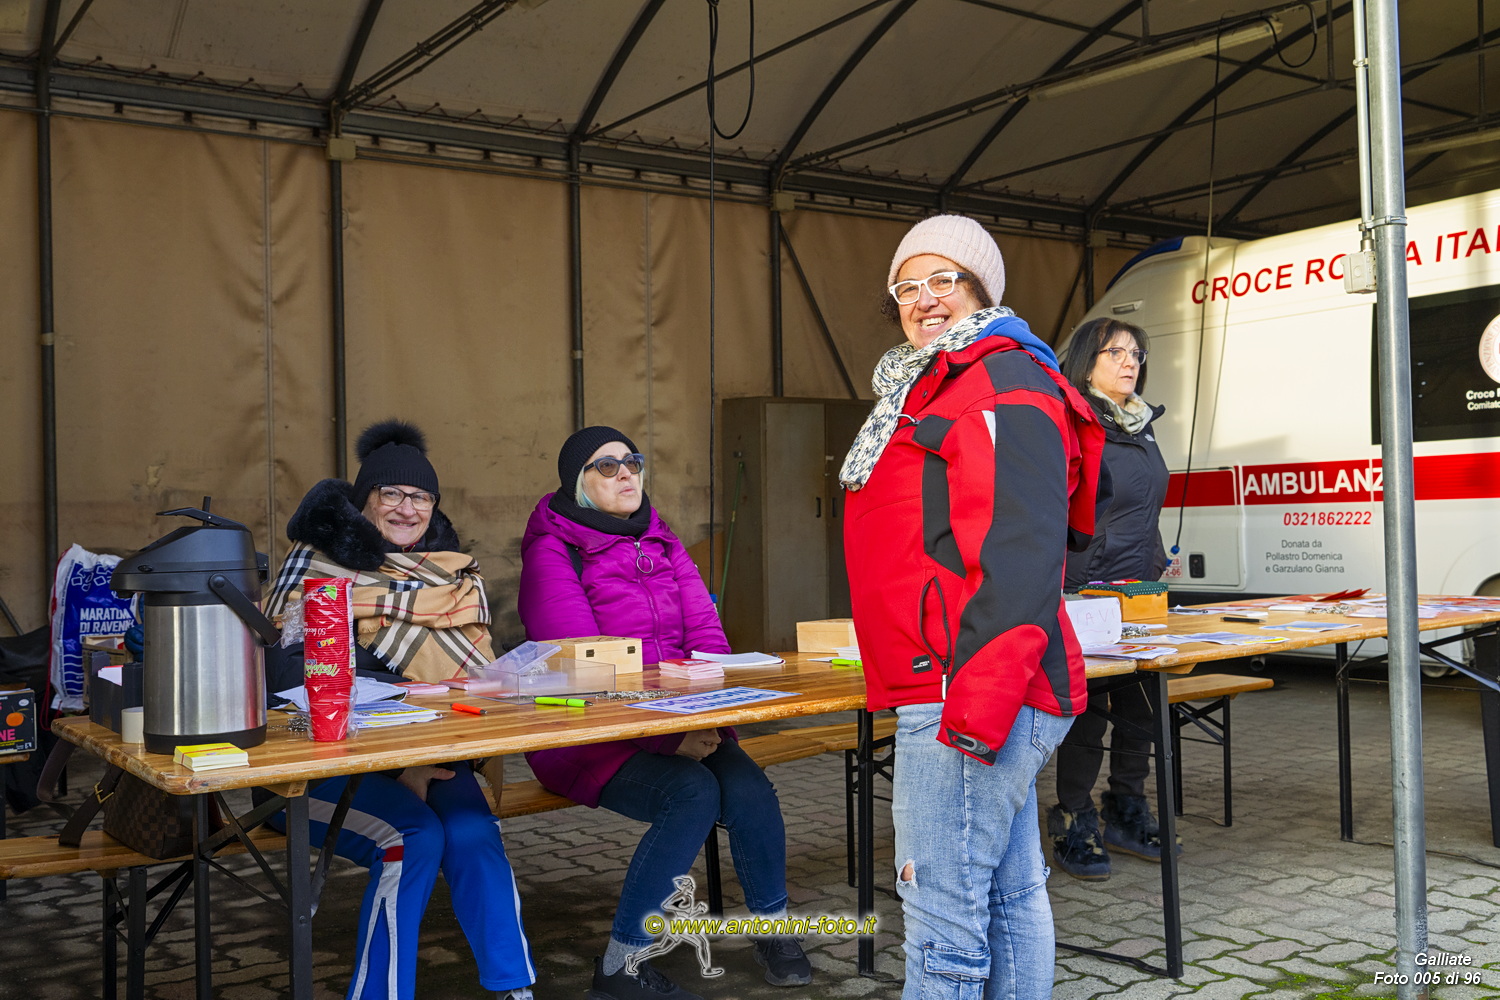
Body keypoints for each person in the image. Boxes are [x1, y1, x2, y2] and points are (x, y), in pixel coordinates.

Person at [840, 215, 1104, 1000]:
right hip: (957, 678)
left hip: (966, 685)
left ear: (982, 288)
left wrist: (977, 707)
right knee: (1009, 892)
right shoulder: (936, 381)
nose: (923, 299)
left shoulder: (1000, 379)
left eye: (943, 280)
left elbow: (1021, 549)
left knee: (942, 917)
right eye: (906, 286)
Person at [517, 425, 812, 1000]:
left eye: (632, 461)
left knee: (749, 788)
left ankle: (773, 929)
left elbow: (707, 636)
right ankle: (620, 968)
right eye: (606, 466)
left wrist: (706, 719)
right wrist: (664, 740)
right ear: (577, 483)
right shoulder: (553, 550)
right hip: (580, 732)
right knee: (691, 794)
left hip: (679, 723)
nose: (626, 473)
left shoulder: (660, 538)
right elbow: (584, 669)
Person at [263, 419, 535, 1000]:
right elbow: (289, 682)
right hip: (313, 773)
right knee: (412, 838)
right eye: (392, 494)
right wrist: (401, 750)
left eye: (421, 497)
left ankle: (515, 989)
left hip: (430, 753)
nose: (408, 509)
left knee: (472, 831)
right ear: (365, 500)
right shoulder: (315, 566)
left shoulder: (450, 574)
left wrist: (422, 748)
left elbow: (472, 677)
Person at [1048, 318, 1173, 880]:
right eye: (1114, 352)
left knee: (1141, 706)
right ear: (1086, 361)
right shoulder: (1070, 420)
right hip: (1087, 590)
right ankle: (1073, 816)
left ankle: (1125, 807)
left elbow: (1144, 509)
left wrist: (1157, 561)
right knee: (1088, 714)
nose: (1129, 362)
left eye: (1136, 353)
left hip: (1140, 590)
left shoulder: (1142, 425)